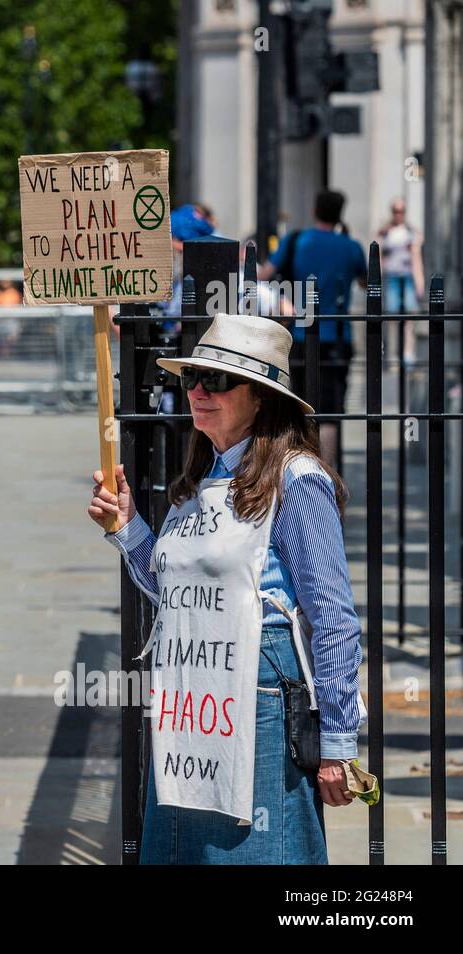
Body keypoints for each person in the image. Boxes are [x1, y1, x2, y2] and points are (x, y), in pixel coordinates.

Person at [87, 312, 366, 864]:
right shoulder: (200, 482)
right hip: (189, 704)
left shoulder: (298, 478)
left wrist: (337, 742)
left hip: (258, 697)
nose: (197, 391)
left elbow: (332, 617)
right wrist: (128, 530)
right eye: (192, 379)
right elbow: (174, 596)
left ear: (262, 397)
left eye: (217, 381)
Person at [257, 190, 367, 466]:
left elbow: (262, 276)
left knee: (299, 405)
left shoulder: (296, 241)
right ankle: (327, 472)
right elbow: (368, 284)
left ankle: (300, 468)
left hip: (300, 333)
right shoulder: (350, 246)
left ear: (315, 210)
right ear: (340, 213)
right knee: (331, 412)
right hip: (337, 336)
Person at [376, 197, 426, 364]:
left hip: (407, 277)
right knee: (391, 317)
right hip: (391, 277)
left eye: (401, 211)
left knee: (408, 317)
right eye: (396, 211)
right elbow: (379, 256)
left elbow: (416, 257)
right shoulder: (386, 232)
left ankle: (407, 353)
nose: (399, 214)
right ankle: (392, 354)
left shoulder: (411, 232)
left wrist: (420, 280)